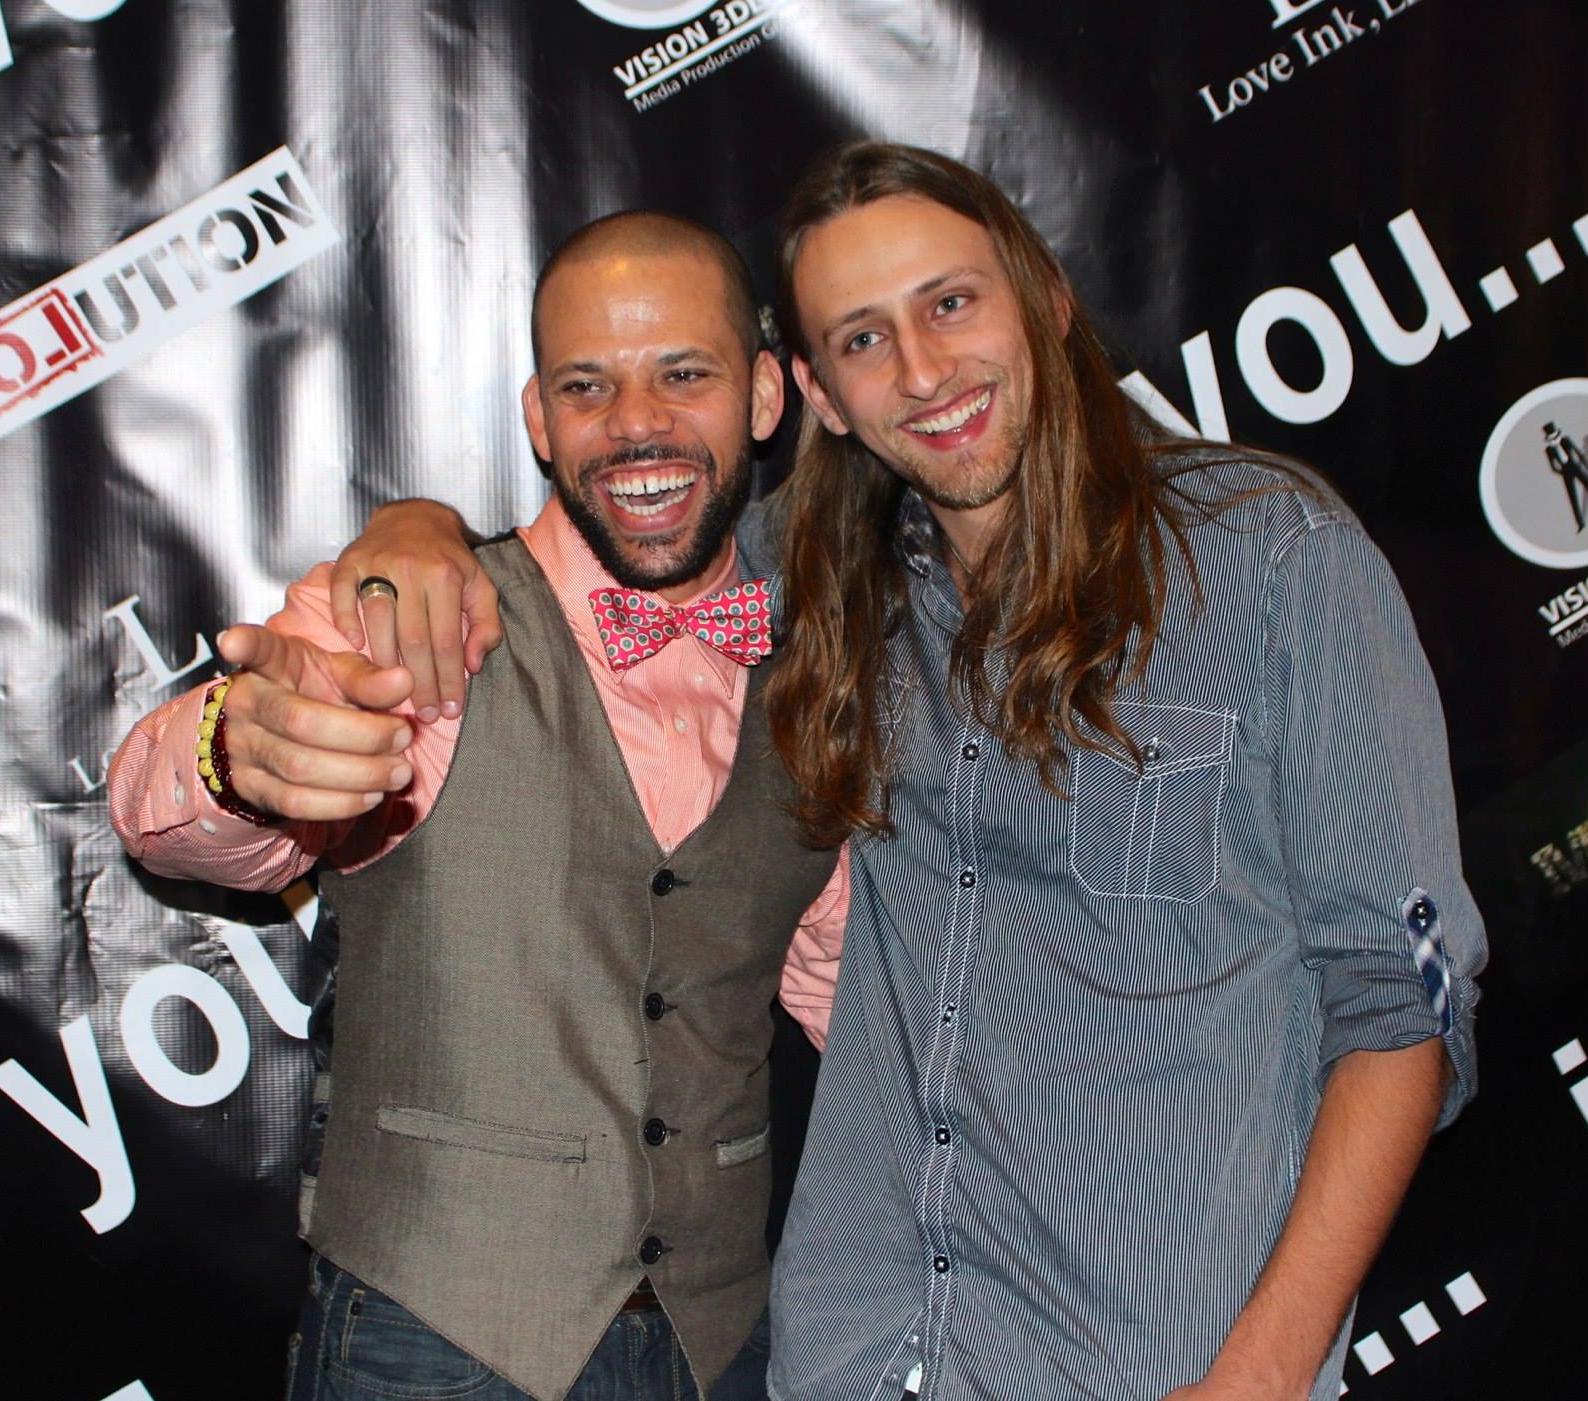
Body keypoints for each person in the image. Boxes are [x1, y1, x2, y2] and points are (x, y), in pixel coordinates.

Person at [340, 142, 1487, 1401]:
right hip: (854, 1359)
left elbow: (1395, 1008)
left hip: (1150, 1362)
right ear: (817, 396)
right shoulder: (817, 590)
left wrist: (1260, 1376)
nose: (924, 373)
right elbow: (612, 530)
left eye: (949, 304)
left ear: (1042, 299)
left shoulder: (1271, 561)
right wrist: (418, 532)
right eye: (863, 340)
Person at [106, 212, 848, 1401]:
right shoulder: (412, 610)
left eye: (684, 374)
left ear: (765, 397)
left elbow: (868, 994)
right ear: (539, 422)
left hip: (721, 1348)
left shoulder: (822, 684)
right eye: (587, 385)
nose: (638, 424)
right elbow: (157, 804)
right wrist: (236, 747)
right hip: (432, 1341)